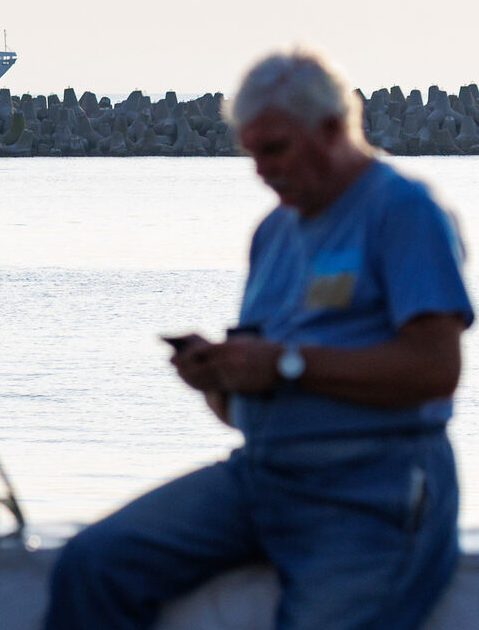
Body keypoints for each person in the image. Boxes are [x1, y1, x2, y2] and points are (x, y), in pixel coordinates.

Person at [45, 49, 472, 630]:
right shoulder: (273, 233)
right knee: (93, 566)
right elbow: (251, 402)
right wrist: (217, 381)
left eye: (274, 149)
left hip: (370, 492)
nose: (261, 171)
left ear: (330, 130)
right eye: (251, 153)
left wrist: (287, 365)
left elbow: (434, 369)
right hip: (263, 477)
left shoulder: (403, 212)